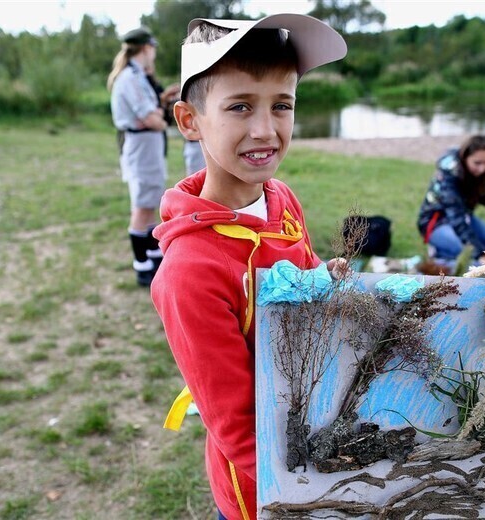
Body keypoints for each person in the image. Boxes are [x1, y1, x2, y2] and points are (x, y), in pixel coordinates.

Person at [149, 15, 347, 520]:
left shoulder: (281, 199)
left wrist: (328, 279)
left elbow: (304, 271)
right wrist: (321, 493)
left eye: (282, 105)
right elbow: (236, 425)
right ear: (190, 121)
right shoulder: (189, 272)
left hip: (322, 424)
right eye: (239, 106)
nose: (265, 129)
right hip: (265, 492)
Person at [108, 27, 168, 287]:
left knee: (151, 198)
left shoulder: (138, 75)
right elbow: (151, 119)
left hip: (146, 144)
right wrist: (161, 119)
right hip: (141, 143)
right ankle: (142, 265)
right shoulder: (130, 78)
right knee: (142, 204)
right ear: (146, 48)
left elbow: (154, 113)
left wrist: (159, 111)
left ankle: (154, 257)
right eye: (152, 49)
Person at [416, 135, 485, 270]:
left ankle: (454, 254)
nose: (483, 169)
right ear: (465, 158)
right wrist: (478, 254)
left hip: (463, 216)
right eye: (478, 163)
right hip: (434, 222)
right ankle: (439, 254)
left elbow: (483, 195)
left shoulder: (474, 173)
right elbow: (457, 219)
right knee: (461, 250)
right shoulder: (448, 177)